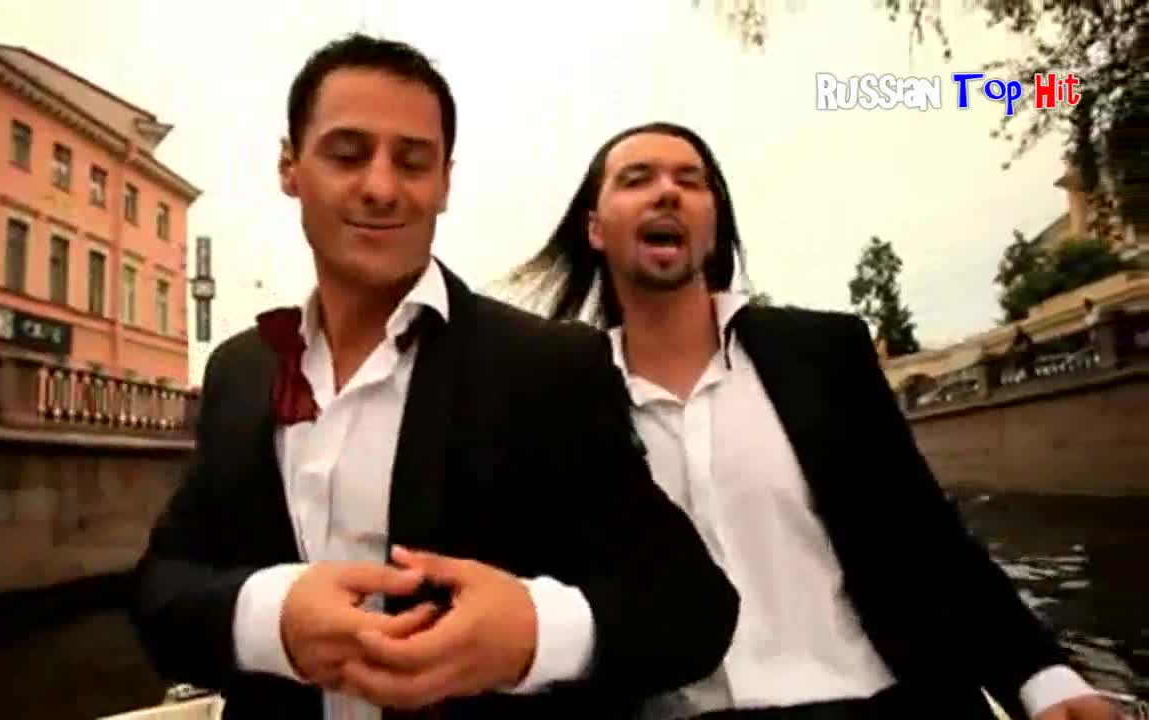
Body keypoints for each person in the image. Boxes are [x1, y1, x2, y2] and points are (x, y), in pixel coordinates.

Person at [130, 39, 738, 720]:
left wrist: (532, 634)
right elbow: (161, 590)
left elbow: (693, 606)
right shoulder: (242, 372)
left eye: (413, 162)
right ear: (289, 167)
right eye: (347, 154)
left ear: (445, 182)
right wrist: (272, 618)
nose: (382, 188)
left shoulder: (547, 367)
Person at [513, 121, 1122, 720]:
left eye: (691, 181)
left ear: (714, 226)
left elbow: (926, 535)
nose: (667, 192)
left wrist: (1041, 677)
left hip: (881, 705)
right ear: (595, 229)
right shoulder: (565, 396)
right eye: (636, 179)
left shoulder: (823, 354)